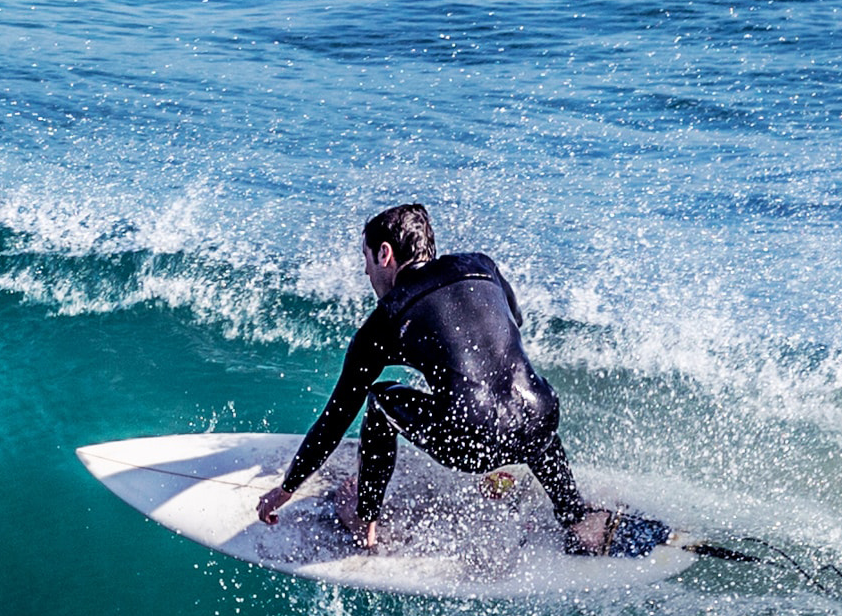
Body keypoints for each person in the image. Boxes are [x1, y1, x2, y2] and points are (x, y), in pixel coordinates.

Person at [254, 204, 618, 555]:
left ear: (385, 254)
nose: (366, 274)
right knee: (519, 394)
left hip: (472, 443)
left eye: (366, 260)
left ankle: (364, 519)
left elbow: (336, 419)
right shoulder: (481, 266)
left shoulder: (388, 317)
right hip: (541, 420)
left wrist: (287, 489)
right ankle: (576, 519)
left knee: (380, 400)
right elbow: (514, 320)